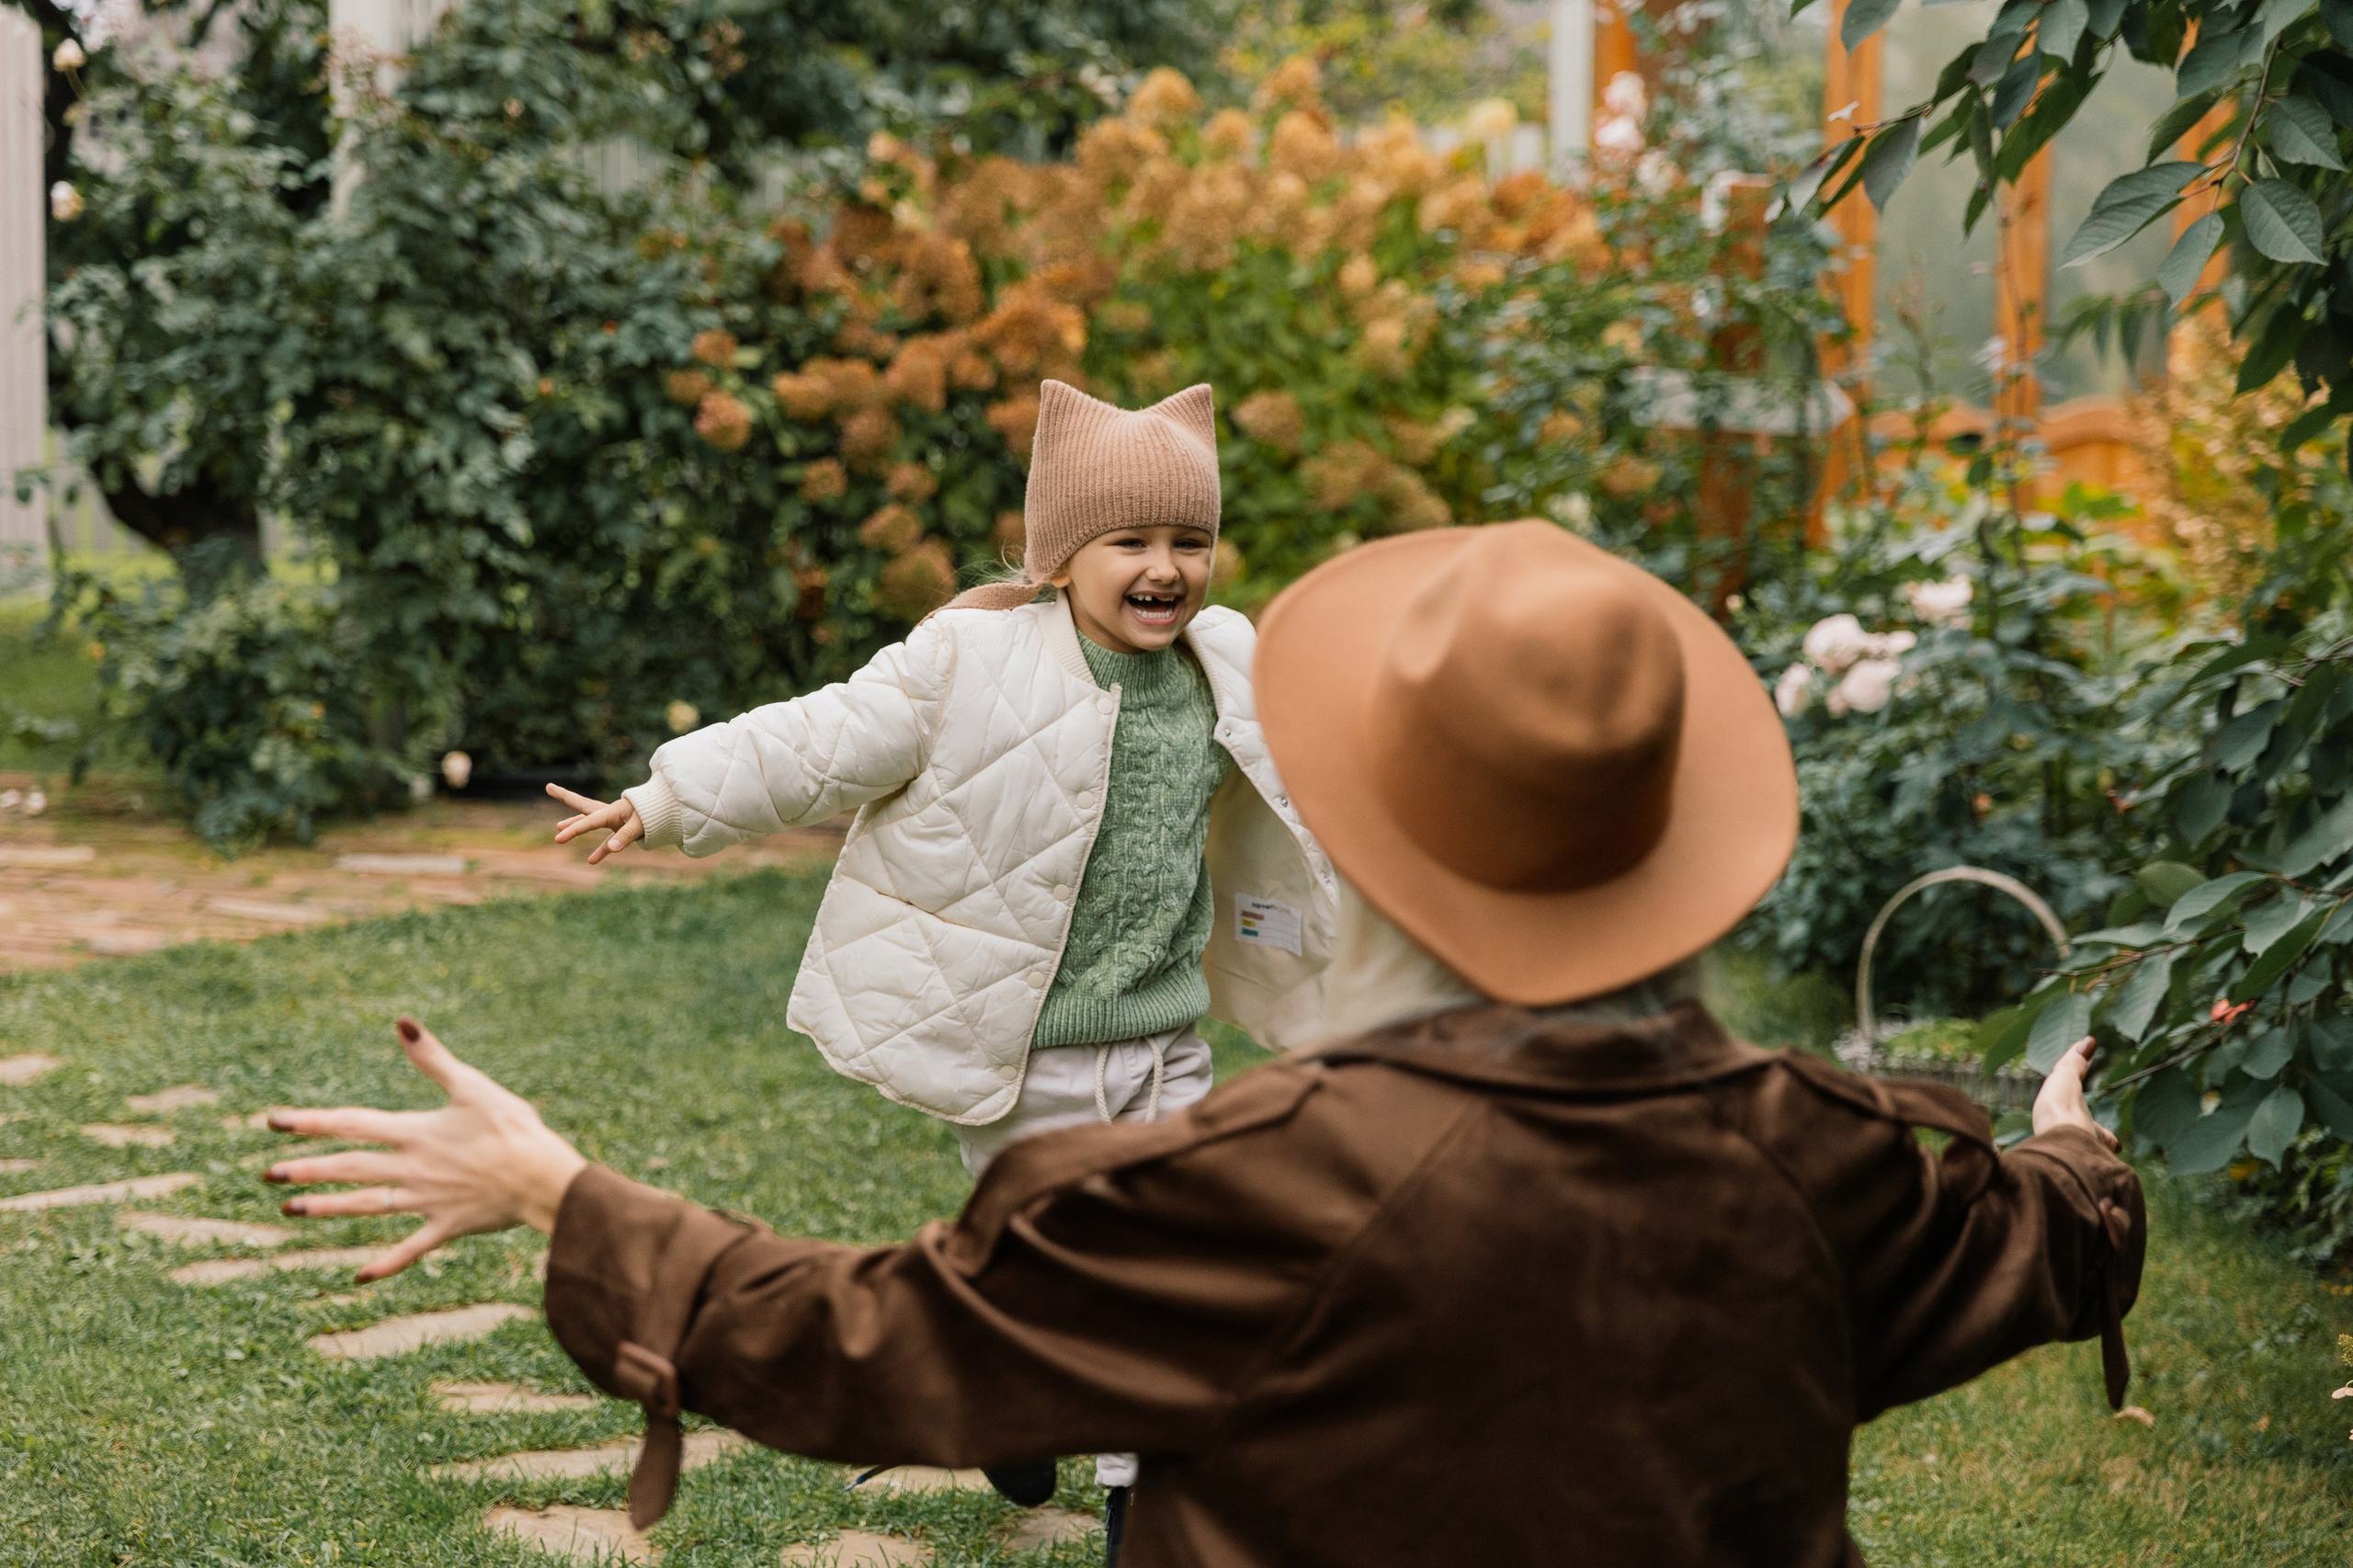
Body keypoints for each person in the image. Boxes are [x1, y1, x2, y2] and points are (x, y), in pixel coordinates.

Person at [268, 521, 2145, 1568]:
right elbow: (2033, 1235)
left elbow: (871, 1337)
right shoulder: (1821, 1154)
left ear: (1378, 863)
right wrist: (2071, 1142)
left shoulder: (1264, 1185)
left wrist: (559, 1192)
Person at [540, 377, 1334, 1508]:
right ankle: (1006, 1387)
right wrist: (665, 796)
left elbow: (1327, 738)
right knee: (1067, 1277)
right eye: (1131, 539)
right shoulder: (969, 663)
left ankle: (1129, 1491)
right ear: (1062, 554)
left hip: (1166, 1038)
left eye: (1190, 539)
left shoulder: (1225, 662)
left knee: (1168, 1277)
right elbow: (819, 739)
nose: (1166, 566)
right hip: (1025, 1054)